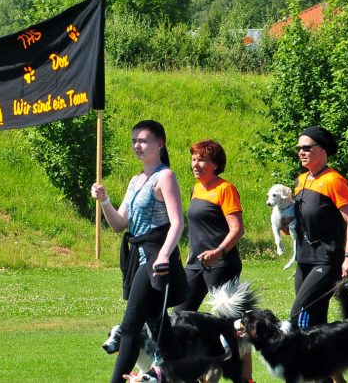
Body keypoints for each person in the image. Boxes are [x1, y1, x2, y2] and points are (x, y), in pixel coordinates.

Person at [91, 120, 187, 383]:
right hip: (137, 256)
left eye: (143, 140)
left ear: (160, 143)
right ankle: (185, 375)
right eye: (134, 141)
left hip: (155, 257)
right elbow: (119, 223)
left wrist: (165, 255)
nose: (137, 145)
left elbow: (177, 222)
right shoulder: (135, 180)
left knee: (130, 326)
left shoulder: (165, 176)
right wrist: (104, 200)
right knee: (158, 325)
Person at [290, 126, 348, 329]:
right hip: (304, 258)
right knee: (316, 316)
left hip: (327, 259)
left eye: (307, 148)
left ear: (323, 150)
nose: (301, 152)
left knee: (298, 313)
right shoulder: (300, 180)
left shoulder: (334, 181)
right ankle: (327, 351)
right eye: (298, 148)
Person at [175, 140, 244, 312]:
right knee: (180, 314)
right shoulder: (196, 188)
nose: (195, 164)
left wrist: (218, 252)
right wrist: (188, 255)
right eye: (193, 159)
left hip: (221, 263)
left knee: (230, 317)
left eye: (201, 160)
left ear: (215, 164)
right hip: (195, 263)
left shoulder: (225, 189)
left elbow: (237, 229)